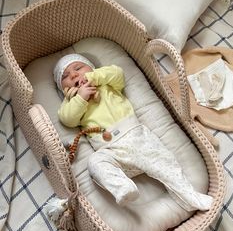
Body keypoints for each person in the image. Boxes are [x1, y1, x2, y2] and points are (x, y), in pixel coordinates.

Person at [54, 53, 213, 209]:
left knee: (165, 162)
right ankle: (123, 188)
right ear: (63, 89)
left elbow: (118, 74)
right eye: (65, 76)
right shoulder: (70, 103)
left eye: (78, 67)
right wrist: (80, 98)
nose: (74, 75)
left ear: (92, 68)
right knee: (94, 162)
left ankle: (189, 196)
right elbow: (67, 119)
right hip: (110, 149)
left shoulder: (105, 83)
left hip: (136, 136)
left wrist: (94, 77)